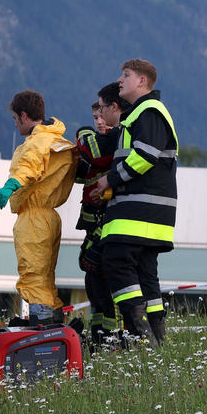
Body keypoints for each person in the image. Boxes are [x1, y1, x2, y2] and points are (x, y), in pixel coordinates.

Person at [94, 59, 178, 345]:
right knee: (145, 273)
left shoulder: (149, 111)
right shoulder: (137, 115)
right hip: (149, 216)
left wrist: (110, 181)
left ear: (142, 81)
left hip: (139, 213)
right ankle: (156, 342)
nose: (120, 80)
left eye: (126, 75)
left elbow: (145, 156)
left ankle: (141, 338)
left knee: (116, 260)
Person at [0, 90, 78, 326]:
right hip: (49, 216)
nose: (15, 124)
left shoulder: (37, 142)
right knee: (46, 277)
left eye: (15, 119)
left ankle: (42, 330)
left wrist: (10, 186)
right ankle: (56, 325)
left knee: (33, 275)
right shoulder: (56, 140)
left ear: (24, 115)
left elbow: (30, 166)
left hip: (34, 216)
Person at [75, 83, 130, 347]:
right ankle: (97, 338)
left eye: (102, 116)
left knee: (107, 287)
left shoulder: (113, 141)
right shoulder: (95, 142)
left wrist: (83, 136)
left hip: (108, 224)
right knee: (93, 286)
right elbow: (79, 172)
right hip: (93, 225)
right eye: (94, 118)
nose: (99, 122)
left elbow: (93, 153)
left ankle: (111, 338)